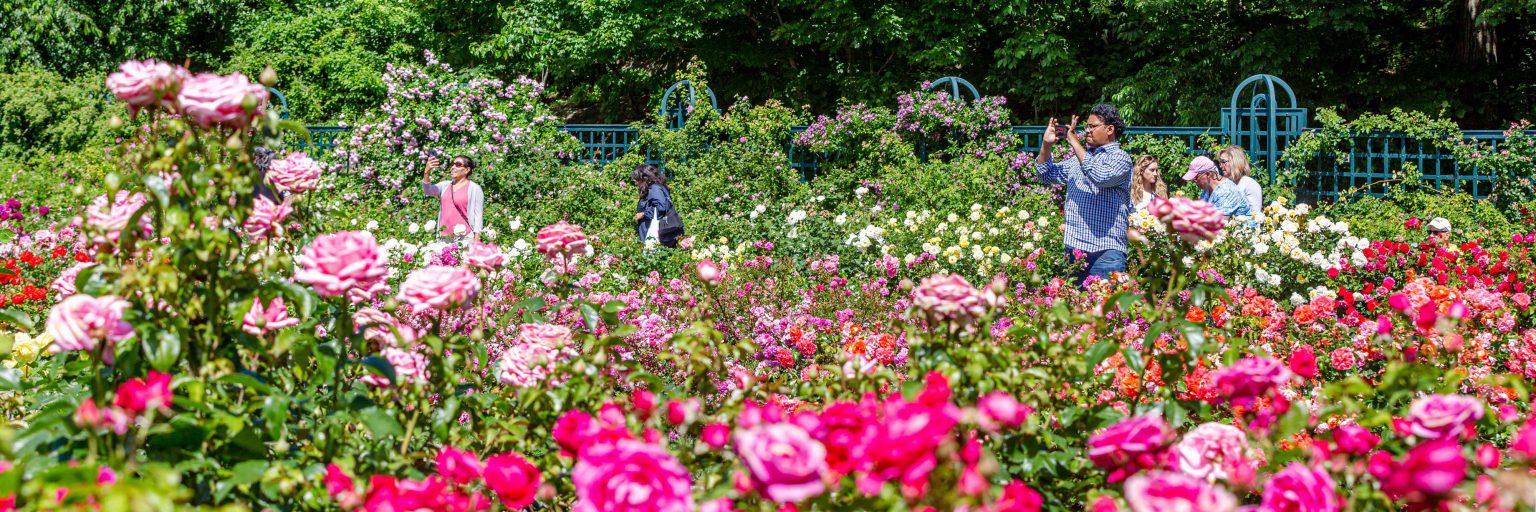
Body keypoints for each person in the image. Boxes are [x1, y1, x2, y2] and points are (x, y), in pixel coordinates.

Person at [1034, 103, 1133, 285]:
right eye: (1086, 126)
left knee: (1105, 311)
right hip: (1075, 251)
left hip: (1107, 252)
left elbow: (1100, 176)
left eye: (1092, 126)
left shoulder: (1121, 158)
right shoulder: (1077, 160)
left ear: (1110, 129)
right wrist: (1046, 146)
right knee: (1075, 311)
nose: (1087, 130)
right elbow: (1045, 174)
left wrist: (1073, 141)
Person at [423, 154, 484, 239]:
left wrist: (477, 241)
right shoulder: (445, 185)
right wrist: (427, 172)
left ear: (467, 170)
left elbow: (478, 216)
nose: (453, 167)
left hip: (464, 238)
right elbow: (428, 191)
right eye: (453, 164)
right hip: (443, 239)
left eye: (458, 165)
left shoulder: (474, 189)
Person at [632, 164, 683, 247]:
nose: (635, 183)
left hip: (655, 233)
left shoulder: (654, 189)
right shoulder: (654, 188)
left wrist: (643, 214)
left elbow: (662, 208)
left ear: (644, 178)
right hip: (653, 232)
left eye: (637, 179)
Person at [1183, 156, 1250, 217]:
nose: (1194, 182)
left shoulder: (1226, 191)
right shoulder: (1206, 190)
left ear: (1208, 174)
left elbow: (1219, 224)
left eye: (1196, 178)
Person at [1218, 145, 1263, 215]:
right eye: (1220, 162)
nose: (1220, 166)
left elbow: (1255, 216)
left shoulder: (1250, 184)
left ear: (1235, 162)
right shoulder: (1229, 183)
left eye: (1224, 162)